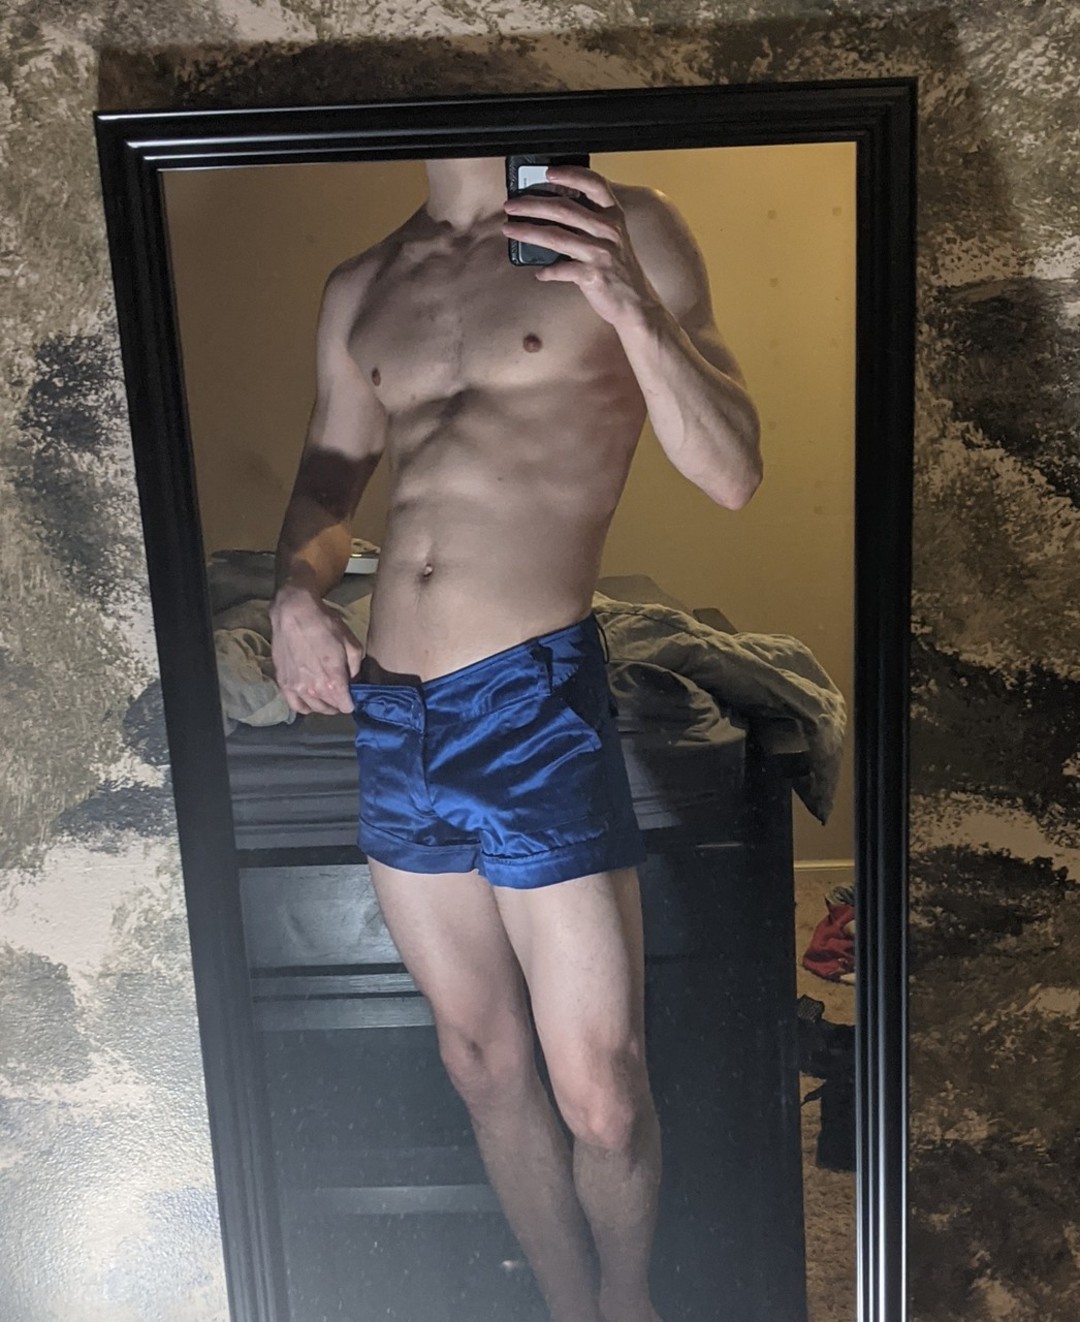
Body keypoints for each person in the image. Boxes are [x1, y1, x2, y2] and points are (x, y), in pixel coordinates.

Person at [269, 156, 761, 1322]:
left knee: (603, 1090)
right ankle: (566, 1305)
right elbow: (331, 480)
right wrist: (293, 591)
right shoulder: (362, 284)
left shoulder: (625, 226)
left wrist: (627, 299)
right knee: (480, 1061)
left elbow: (734, 471)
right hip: (393, 710)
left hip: (530, 698)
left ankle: (628, 1301)